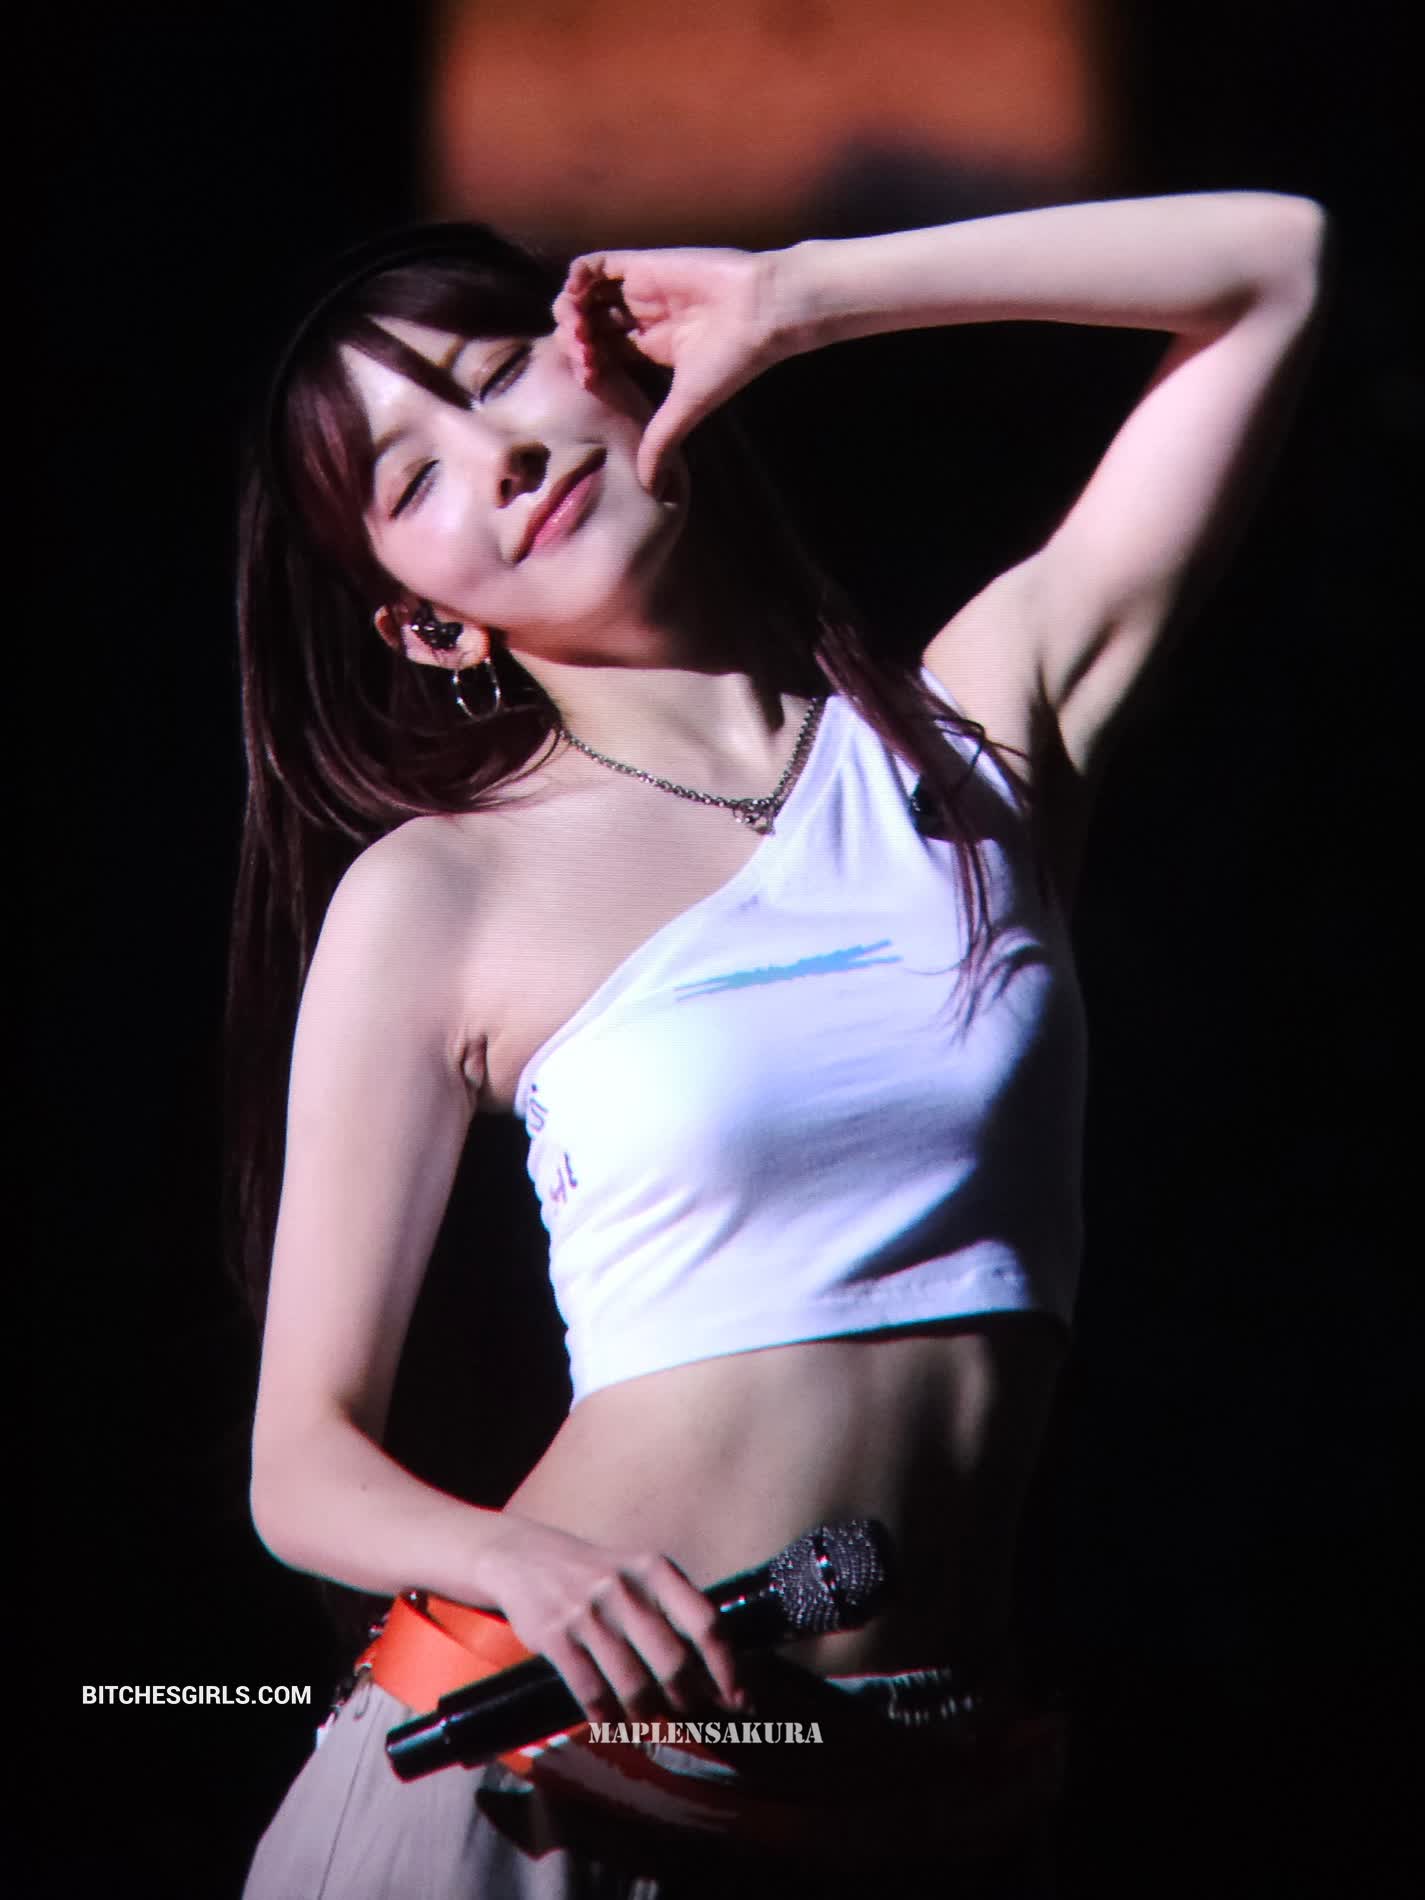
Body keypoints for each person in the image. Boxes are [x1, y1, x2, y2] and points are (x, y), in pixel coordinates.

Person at [233, 194, 1327, 1897]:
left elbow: (1273, 266)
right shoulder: (439, 893)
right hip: (541, 1788)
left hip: (916, 1797)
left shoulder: (972, 739)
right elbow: (299, 1465)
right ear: (426, 624)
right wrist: (519, 1562)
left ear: (613, 366)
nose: (497, 458)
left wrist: (799, 298)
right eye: (411, 479)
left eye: (499, 372)